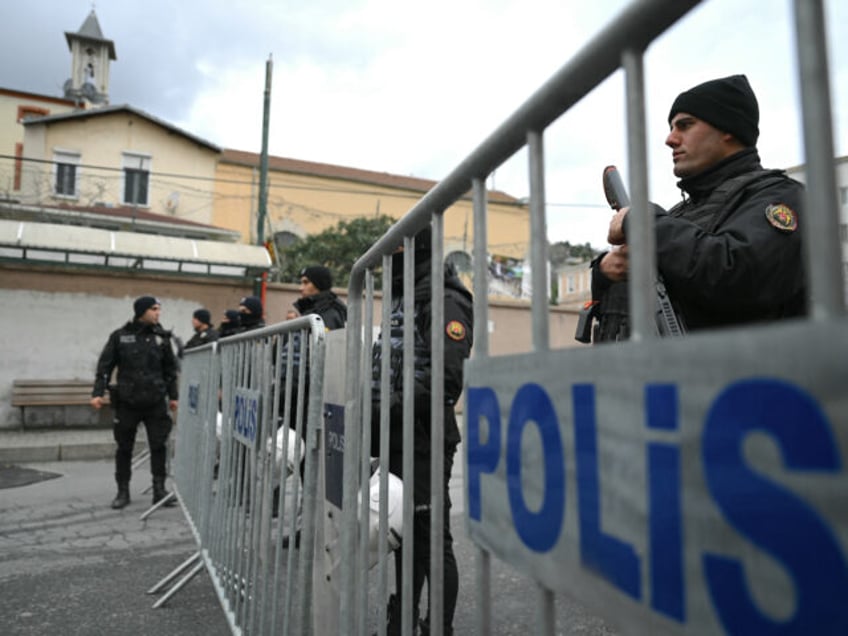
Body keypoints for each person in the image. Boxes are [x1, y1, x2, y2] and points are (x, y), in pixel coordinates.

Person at [590, 74, 805, 339]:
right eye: (671, 128)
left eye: (685, 125)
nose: (670, 139)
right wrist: (605, 270)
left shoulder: (782, 197)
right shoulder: (677, 216)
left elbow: (739, 277)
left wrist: (645, 224)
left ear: (728, 129)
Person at [370, 227, 473, 635]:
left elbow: (447, 380)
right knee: (403, 534)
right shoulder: (403, 293)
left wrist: (387, 409)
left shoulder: (446, 298)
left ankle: (438, 627)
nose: (386, 254)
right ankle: (405, 620)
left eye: (394, 246)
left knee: (431, 540)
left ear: (415, 249)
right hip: (395, 434)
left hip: (424, 436)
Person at [90, 296, 179, 509]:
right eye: (154, 309)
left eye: (159, 309)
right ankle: (122, 491)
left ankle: (159, 489)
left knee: (159, 446)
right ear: (141, 311)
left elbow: (170, 370)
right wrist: (98, 392)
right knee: (124, 448)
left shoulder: (162, 338)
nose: (158, 313)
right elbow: (105, 367)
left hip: (155, 401)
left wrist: (173, 396)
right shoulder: (120, 337)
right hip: (128, 401)